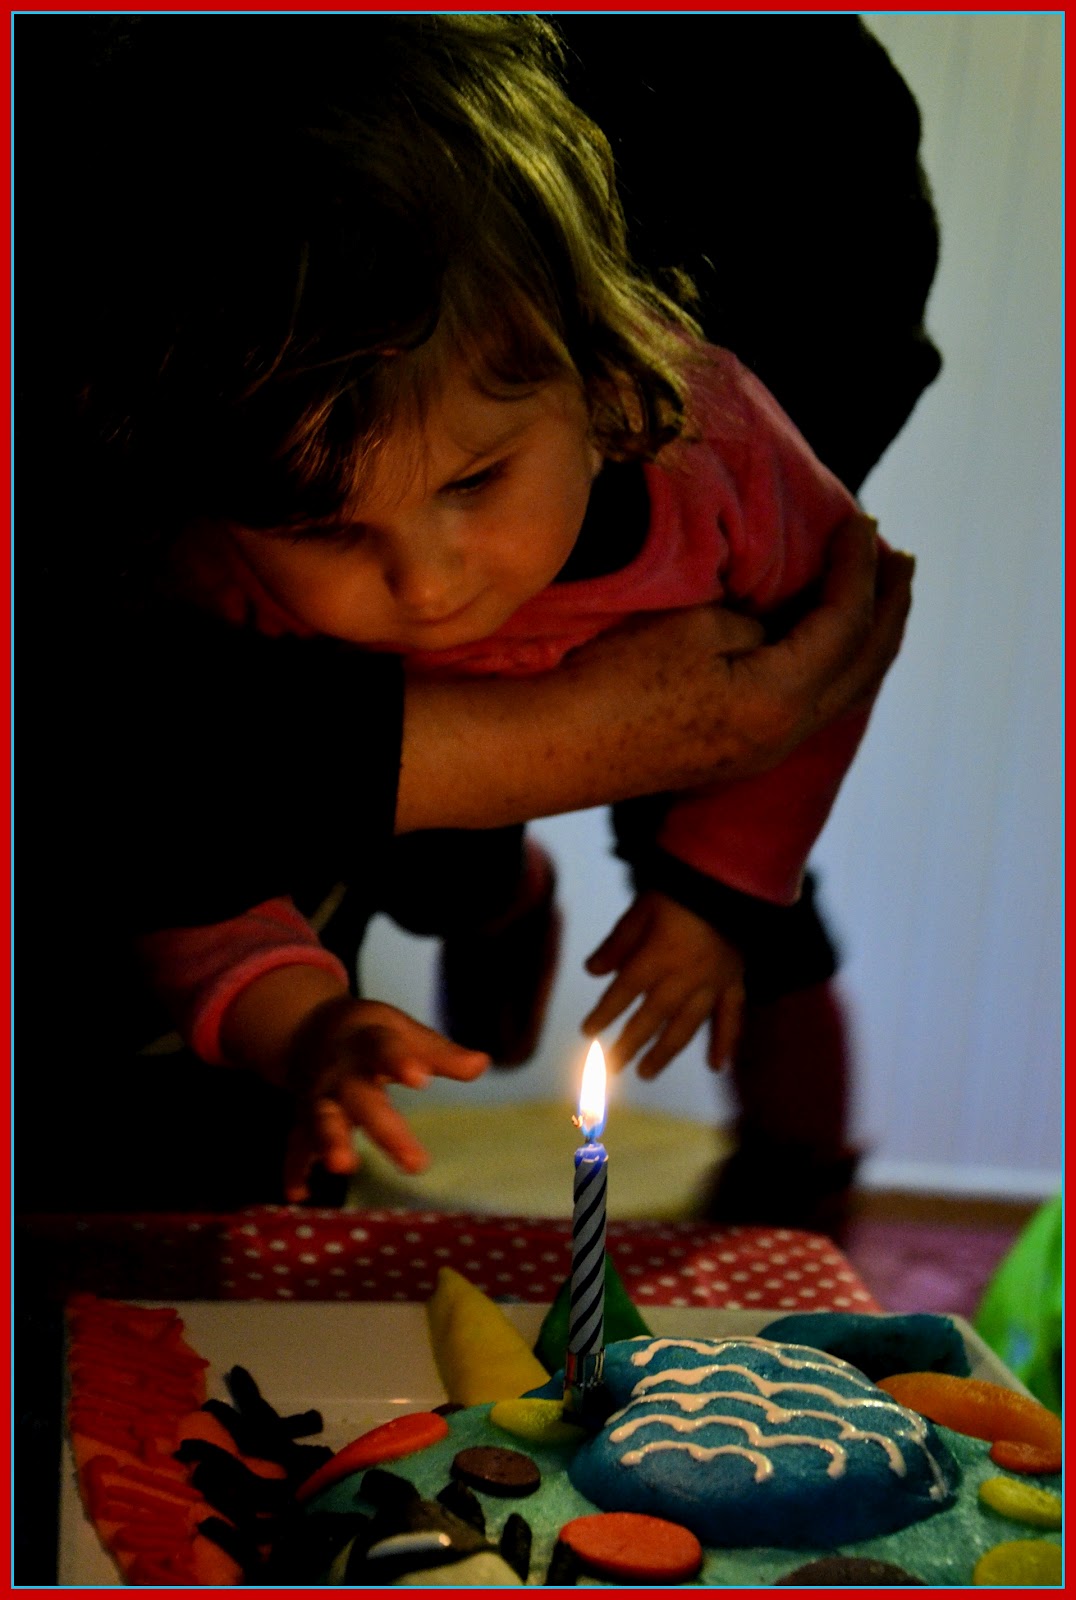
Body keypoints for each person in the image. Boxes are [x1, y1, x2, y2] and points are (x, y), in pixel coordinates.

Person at [14, 14, 913, 1214]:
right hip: (340, 789)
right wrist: (310, 1023)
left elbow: (820, 656)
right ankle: (495, 896)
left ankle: (765, 1144)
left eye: (476, 482)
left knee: (680, 887)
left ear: (604, 382)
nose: (427, 590)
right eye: (330, 532)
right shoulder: (211, 556)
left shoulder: (724, 453)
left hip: (651, 695)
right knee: (424, 873)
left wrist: (709, 893)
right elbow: (173, 854)